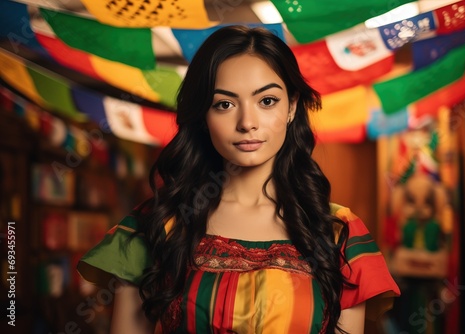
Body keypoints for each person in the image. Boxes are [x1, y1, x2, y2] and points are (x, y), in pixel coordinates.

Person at [77, 25, 400, 334]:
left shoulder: (338, 232)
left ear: (292, 107)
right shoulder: (156, 226)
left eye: (267, 101)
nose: (247, 122)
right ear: (203, 116)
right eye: (225, 104)